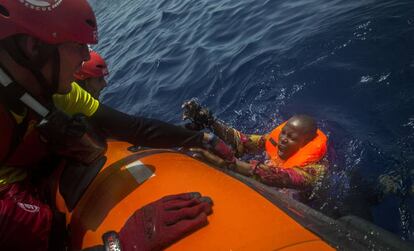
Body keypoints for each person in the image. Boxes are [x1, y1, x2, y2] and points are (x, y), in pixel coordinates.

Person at [0, 1, 236, 250]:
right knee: (28, 224)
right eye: (79, 46)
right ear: (34, 47)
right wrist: (119, 245)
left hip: (22, 168)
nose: (85, 57)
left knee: (85, 137)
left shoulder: (56, 93)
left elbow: (131, 127)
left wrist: (201, 140)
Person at [182, 99, 329, 190]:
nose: (282, 139)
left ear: (305, 144)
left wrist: (231, 165)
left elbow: (285, 178)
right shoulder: (274, 141)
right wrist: (210, 122)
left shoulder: (315, 170)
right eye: (283, 133)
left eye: (291, 138)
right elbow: (242, 141)